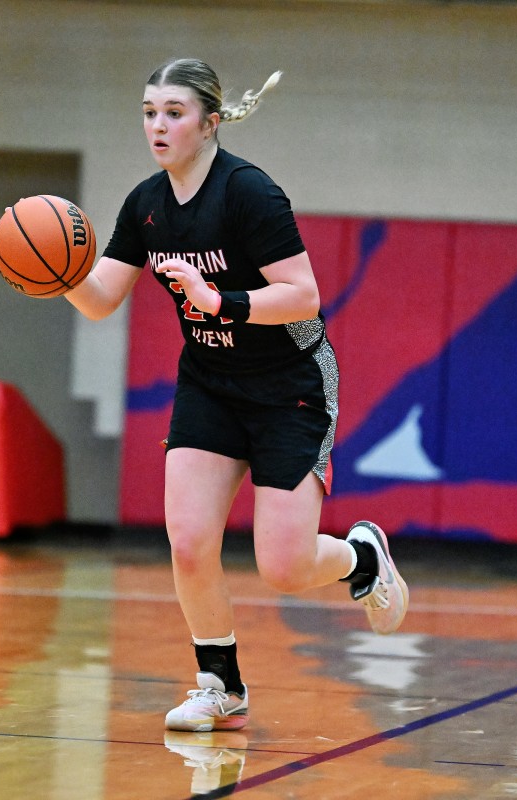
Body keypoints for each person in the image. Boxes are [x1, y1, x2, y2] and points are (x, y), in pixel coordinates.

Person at [64, 58, 408, 732]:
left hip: (291, 382)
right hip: (211, 383)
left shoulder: (249, 193)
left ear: (210, 122)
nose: (158, 126)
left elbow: (304, 297)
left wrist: (218, 298)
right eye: (148, 112)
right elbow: (102, 298)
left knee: (283, 566)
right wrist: (60, 274)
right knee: (190, 542)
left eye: (174, 112)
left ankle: (363, 555)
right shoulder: (146, 205)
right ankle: (219, 685)